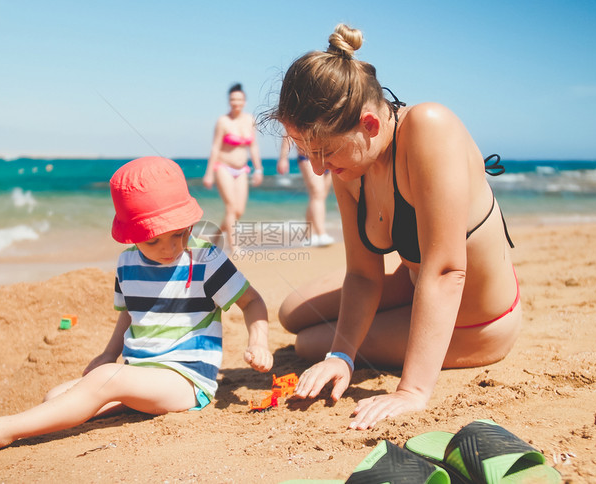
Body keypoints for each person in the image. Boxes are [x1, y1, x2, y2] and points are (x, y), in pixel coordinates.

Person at [0, 156, 273, 463]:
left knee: (105, 381)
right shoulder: (127, 264)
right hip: (140, 370)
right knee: (60, 394)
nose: (169, 248)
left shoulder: (205, 261)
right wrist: (108, 352)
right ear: (131, 235)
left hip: (185, 381)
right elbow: (130, 313)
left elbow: (252, 301)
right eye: (152, 239)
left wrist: (258, 341)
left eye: (179, 234)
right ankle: (114, 397)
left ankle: (2, 430)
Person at [267, 24, 520, 430]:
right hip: (414, 281)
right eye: (305, 151)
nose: (316, 167)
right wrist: (343, 357)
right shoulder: (349, 164)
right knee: (293, 312)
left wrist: (411, 392)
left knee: (308, 342)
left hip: (476, 322)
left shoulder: (430, 128)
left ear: (369, 124)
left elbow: (446, 270)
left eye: (324, 152)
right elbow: (363, 274)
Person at [203, 83, 263, 250]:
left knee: (239, 210)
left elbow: (254, 146)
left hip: (242, 169)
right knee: (230, 207)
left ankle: (216, 235)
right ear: (229, 101)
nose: (236, 103)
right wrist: (209, 174)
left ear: (244, 101)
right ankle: (234, 247)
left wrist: (258, 169)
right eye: (232, 100)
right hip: (223, 167)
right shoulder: (223, 121)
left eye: (239, 99)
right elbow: (215, 147)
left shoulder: (250, 120)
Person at [277, 135, 334, 247]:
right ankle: (321, 233)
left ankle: (309, 235)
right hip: (308, 156)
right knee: (317, 193)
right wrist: (283, 158)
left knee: (319, 197)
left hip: (329, 156)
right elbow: (289, 132)